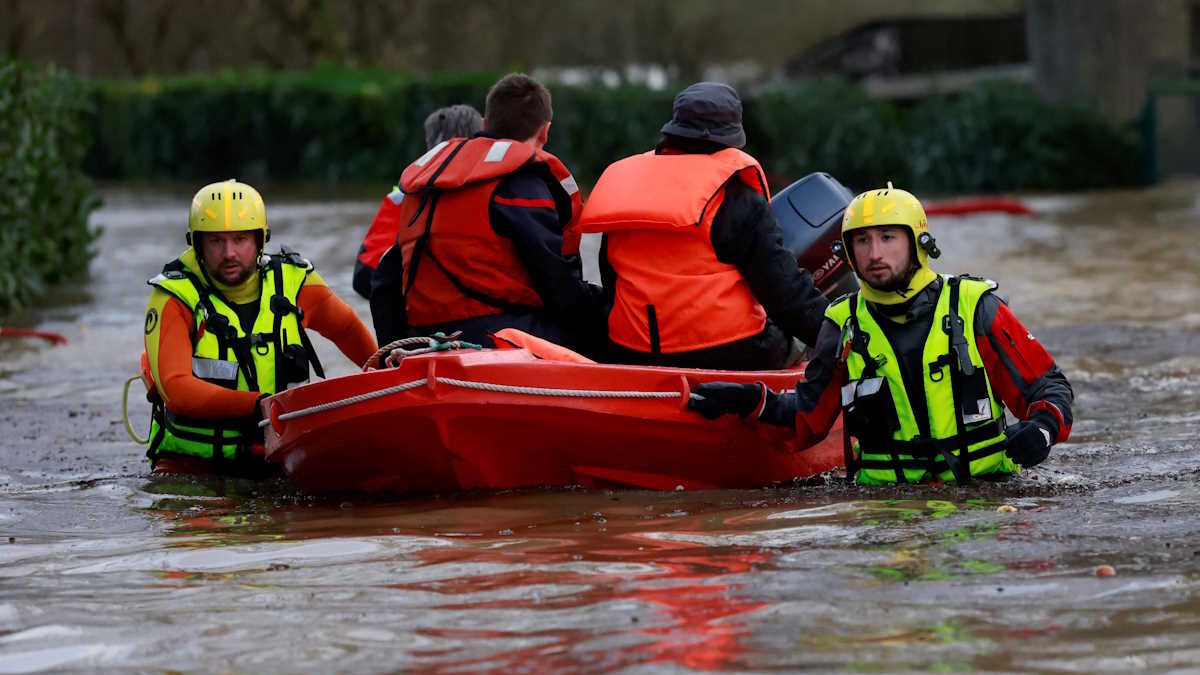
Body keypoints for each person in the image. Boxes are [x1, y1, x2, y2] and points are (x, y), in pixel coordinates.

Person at [689, 184, 1074, 485]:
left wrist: (1042, 430)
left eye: (888, 238)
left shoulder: (976, 307)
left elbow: (1048, 390)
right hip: (884, 507)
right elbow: (807, 419)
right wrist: (752, 401)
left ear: (919, 243)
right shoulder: (842, 324)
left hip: (985, 493)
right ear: (848, 252)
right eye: (863, 241)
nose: (875, 253)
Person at [577, 81, 828, 370]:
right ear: (732, 139)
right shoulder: (737, 198)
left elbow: (611, 278)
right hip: (733, 354)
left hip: (630, 352)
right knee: (795, 339)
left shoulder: (625, 190)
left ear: (673, 130)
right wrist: (842, 335)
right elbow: (786, 295)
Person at [142, 179, 378, 476]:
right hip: (193, 468)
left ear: (259, 240)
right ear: (198, 244)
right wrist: (259, 405)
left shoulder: (293, 281)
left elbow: (345, 328)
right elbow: (176, 388)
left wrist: (383, 370)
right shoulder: (174, 297)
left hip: (280, 457)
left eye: (240, 239)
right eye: (216, 242)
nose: (229, 253)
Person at [369, 73, 603, 351]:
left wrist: (393, 353)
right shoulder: (521, 180)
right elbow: (557, 285)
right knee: (601, 319)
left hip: (422, 339)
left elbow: (384, 283)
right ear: (545, 131)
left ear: (484, 123)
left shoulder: (431, 183)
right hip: (500, 336)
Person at [353, 104, 484, 300]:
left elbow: (365, 275)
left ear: (430, 147)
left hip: (422, 317)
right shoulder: (498, 189)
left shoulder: (403, 196)